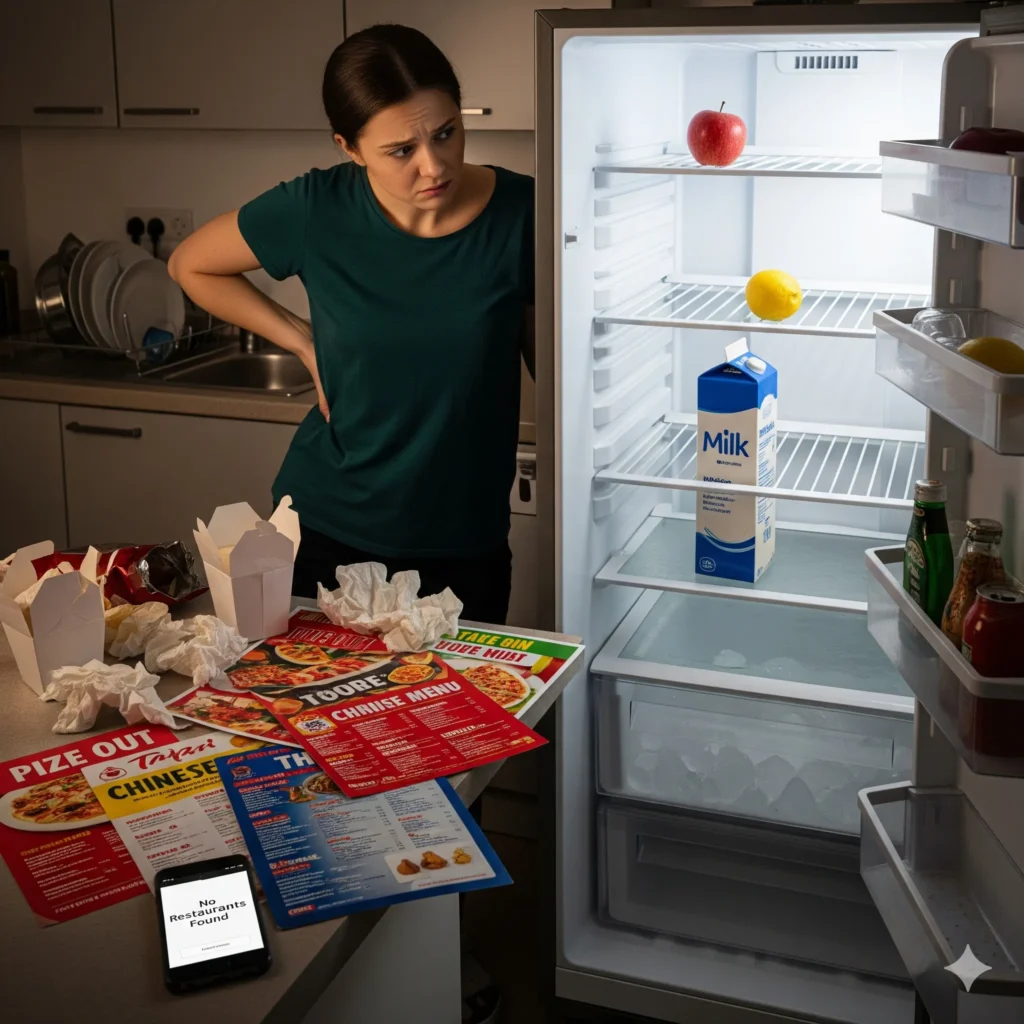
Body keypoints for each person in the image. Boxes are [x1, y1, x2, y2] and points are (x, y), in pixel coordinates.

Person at [169, 23, 534, 628]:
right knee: (316, 717)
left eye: (447, 132)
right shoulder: (316, 210)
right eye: (401, 151)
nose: (434, 164)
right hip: (327, 534)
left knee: (453, 721)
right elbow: (191, 264)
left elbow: (556, 367)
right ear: (349, 146)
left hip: (464, 547)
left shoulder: (523, 214)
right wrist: (302, 340)